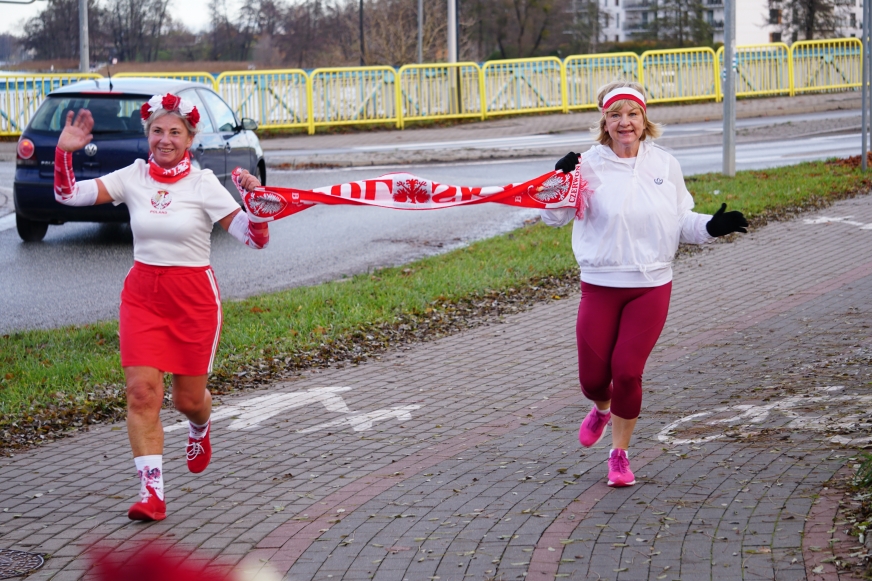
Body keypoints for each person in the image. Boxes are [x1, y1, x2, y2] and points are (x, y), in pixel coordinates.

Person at [54, 93, 270, 520]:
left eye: (175, 132)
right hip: (143, 296)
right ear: (147, 134)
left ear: (190, 138)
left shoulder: (204, 183)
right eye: (157, 130)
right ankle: (151, 494)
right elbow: (68, 196)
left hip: (193, 299)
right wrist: (64, 153)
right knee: (141, 394)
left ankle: (199, 426)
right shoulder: (133, 176)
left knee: (187, 400)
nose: (165, 139)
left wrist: (258, 205)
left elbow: (253, 238)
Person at [541, 81, 748, 488]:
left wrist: (711, 227)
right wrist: (559, 179)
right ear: (604, 120)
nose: (625, 123)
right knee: (593, 379)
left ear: (644, 118)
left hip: (651, 284)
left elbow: (679, 220)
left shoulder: (664, 164)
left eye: (632, 114)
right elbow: (553, 217)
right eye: (616, 115)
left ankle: (619, 456)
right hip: (599, 284)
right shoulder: (586, 165)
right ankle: (601, 409)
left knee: (628, 371)